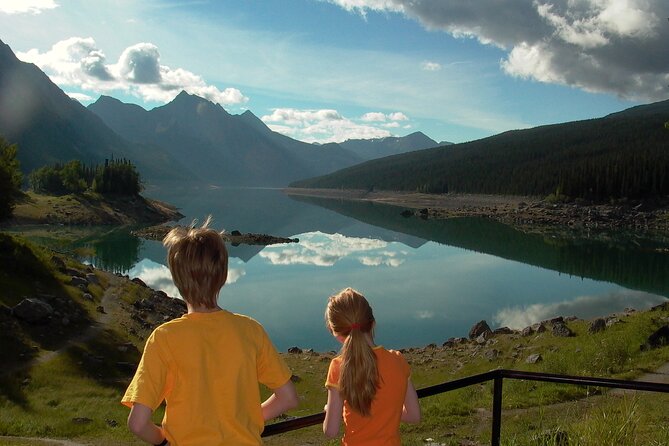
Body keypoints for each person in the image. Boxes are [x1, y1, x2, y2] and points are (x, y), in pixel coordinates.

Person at [121, 217, 298, 445]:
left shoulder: (164, 339)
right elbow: (288, 398)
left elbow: (137, 423)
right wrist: (246, 421)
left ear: (176, 278)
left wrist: (164, 441)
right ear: (222, 275)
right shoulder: (250, 330)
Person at [323, 287, 421, 445]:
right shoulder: (398, 360)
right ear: (372, 322)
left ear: (337, 334)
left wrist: (331, 410)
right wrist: (387, 410)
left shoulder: (338, 366)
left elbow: (331, 431)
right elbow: (414, 416)